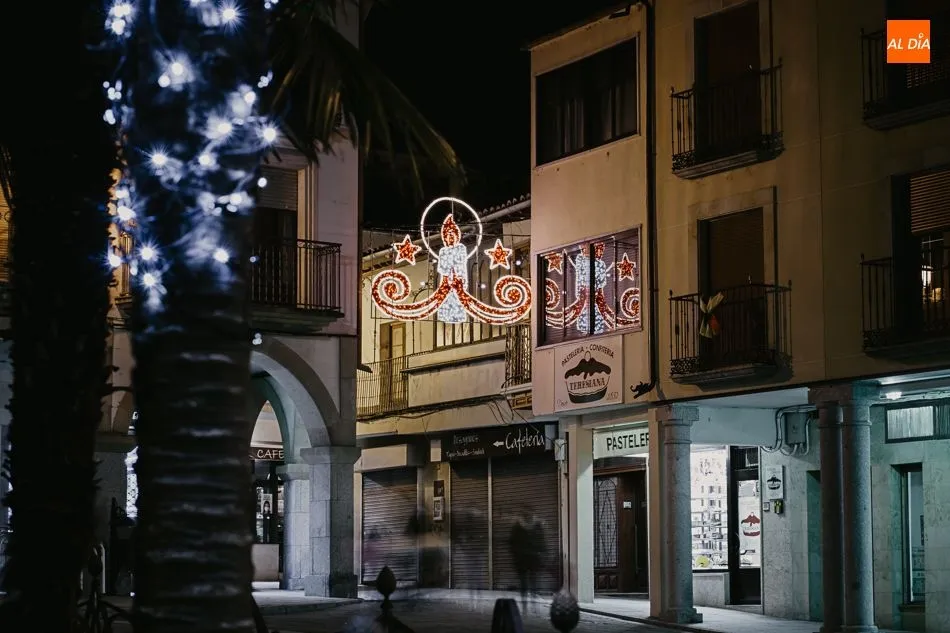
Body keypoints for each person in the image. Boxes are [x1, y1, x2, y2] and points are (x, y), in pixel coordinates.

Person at [509, 508, 546, 615]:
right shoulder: (533, 526)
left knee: (528, 584)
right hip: (528, 559)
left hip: (526, 559)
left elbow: (512, 543)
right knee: (529, 584)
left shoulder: (518, 527)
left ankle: (528, 607)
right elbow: (512, 543)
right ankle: (529, 607)